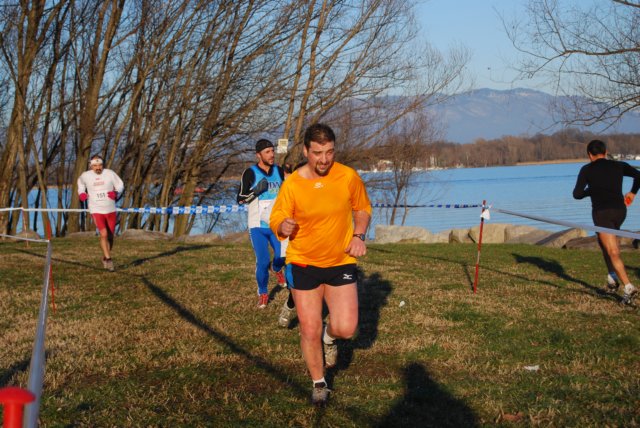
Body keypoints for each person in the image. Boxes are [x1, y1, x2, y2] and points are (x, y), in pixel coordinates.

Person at [270, 123, 371, 406]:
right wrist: (283, 225)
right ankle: (319, 383)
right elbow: (277, 217)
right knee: (309, 328)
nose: (324, 159)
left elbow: (362, 208)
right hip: (303, 262)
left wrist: (359, 235)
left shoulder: (347, 176)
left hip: (340, 260)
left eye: (329, 152)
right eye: (317, 153)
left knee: (346, 328)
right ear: (306, 151)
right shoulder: (293, 183)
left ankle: (330, 338)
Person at [573, 139, 640, 305]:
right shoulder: (619, 165)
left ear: (589, 155)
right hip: (620, 211)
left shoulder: (587, 169)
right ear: (606, 152)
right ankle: (612, 277)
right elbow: (638, 175)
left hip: (602, 213)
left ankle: (628, 287)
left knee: (612, 251)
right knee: (603, 243)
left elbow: (577, 194)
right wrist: (632, 193)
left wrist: (591, 190)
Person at [237, 139, 286, 308]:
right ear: (258, 155)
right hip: (257, 225)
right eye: (267, 152)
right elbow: (240, 199)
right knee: (263, 261)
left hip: (276, 223)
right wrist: (256, 190)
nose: (272, 155)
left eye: (272, 151)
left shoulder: (279, 171)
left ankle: (277, 269)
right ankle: (263, 293)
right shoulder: (250, 173)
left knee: (282, 256)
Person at [77, 154, 125, 272]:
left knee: (110, 236)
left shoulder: (110, 173)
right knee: (103, 234)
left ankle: (105, 257)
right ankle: (109, 259)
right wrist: (81, 193)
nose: (98, 167)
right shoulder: (86, 176)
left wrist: (116, 192)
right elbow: (80, 184)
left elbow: (120, 184)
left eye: (100, 165)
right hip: (96, 209)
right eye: (95, 165)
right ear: (91, 166)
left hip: (110, 209)